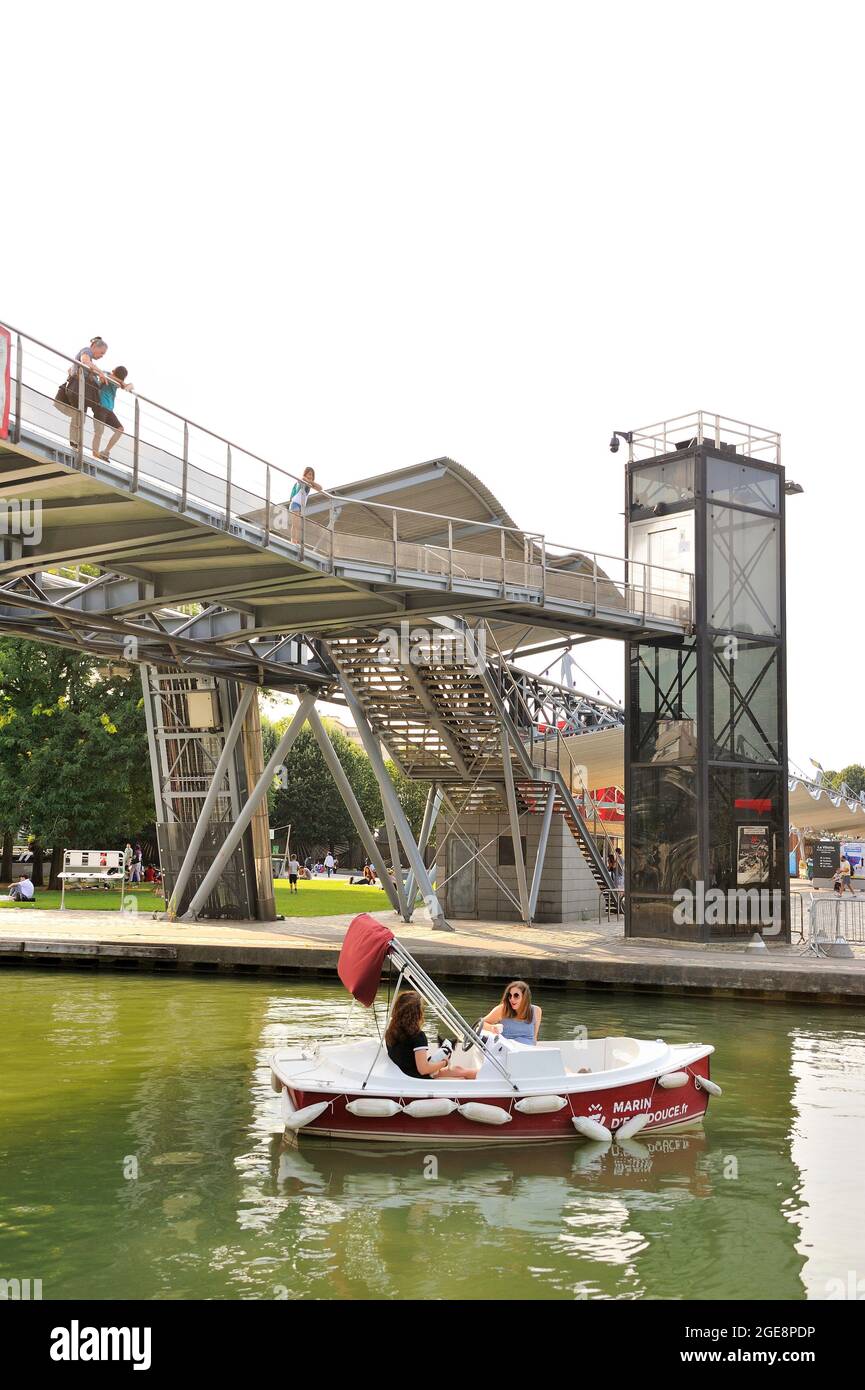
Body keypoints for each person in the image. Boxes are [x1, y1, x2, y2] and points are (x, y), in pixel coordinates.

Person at [385, 990, 478, 1081]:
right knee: (460, 1072)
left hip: (403, 1075)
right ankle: (485, 1078)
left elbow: (406, 1057)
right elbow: (423, 1070)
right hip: (418, 1079)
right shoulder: (418, 1036)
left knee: (458, 1069)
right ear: (418, 1014)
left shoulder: (390, 1032)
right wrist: (445, 1062)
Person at [54, 337, 109, 449]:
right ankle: (75, 442)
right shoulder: (86, 351)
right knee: (79, 415)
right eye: (102, 352)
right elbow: (85, 361)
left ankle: (75, 442)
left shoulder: (88, 357)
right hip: (78, 387)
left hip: (80, 388)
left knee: (79, 415)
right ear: (94, 347)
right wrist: (100, 372)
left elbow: (71, 369)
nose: (102, 356)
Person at [92, 365, 134, 461]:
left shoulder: (118, 382)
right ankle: (95, 453)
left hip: (109, 409)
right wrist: (121, 382)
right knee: (99, 431)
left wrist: (124, 384)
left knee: (120, 429)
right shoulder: (107, 375)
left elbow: (131, 387)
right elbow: (105, 377)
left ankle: (105, 451)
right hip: (100, 406)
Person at [288, 466, 323, 544]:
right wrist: (309, 481)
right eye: (309, 474)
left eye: (312, 475)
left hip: (301, 506)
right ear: (305, 474)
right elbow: (302, 479)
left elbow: (320, 488)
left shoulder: (310, 484)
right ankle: (293, 541)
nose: (310, 476)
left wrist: (311, 482)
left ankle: (295, 540)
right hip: (295, 504)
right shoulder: (302, 480)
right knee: (295, 524)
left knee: (298, 525)